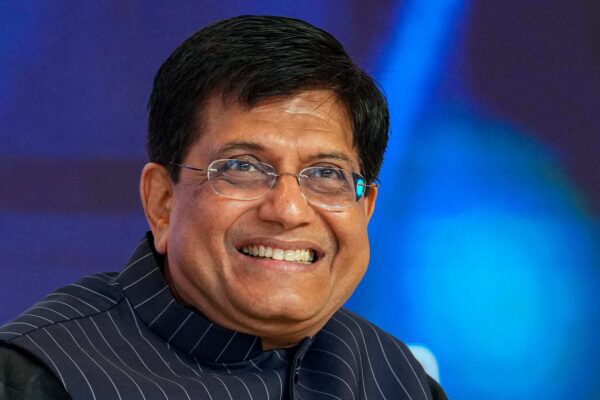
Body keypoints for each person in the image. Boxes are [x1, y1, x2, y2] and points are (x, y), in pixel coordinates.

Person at [0, 15, 447, 399]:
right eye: (242, 167)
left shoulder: (396, 377)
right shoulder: (38, 377)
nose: (288, 210)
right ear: (162, 201)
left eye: (326, 174)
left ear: (365, 209)